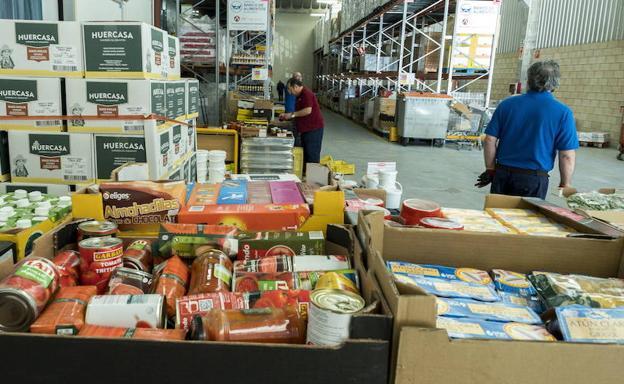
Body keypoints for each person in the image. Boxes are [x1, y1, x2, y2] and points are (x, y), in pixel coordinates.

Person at [476, 60, 579, 199]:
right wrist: (565, 183)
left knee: (497, 217)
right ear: (555, 83)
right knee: (526, 219)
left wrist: (490, 168)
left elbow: (489, 140)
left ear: (529, 79)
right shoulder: (563, 112)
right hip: (533, 180)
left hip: (503, 175)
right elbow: (566, 155)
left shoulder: (507, 105)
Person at [279, 77, 325, 165]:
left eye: (290, 89)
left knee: (312, 155)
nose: (290, 92)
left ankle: (313, 176)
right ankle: (305, 174)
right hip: (305, 129)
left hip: (313, 129)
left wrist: (292, 114)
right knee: (306, 153)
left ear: (295, 86)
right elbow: (300, 111)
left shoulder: (306, 93)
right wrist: (287, 116)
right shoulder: (299, 95)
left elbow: (308, 110)